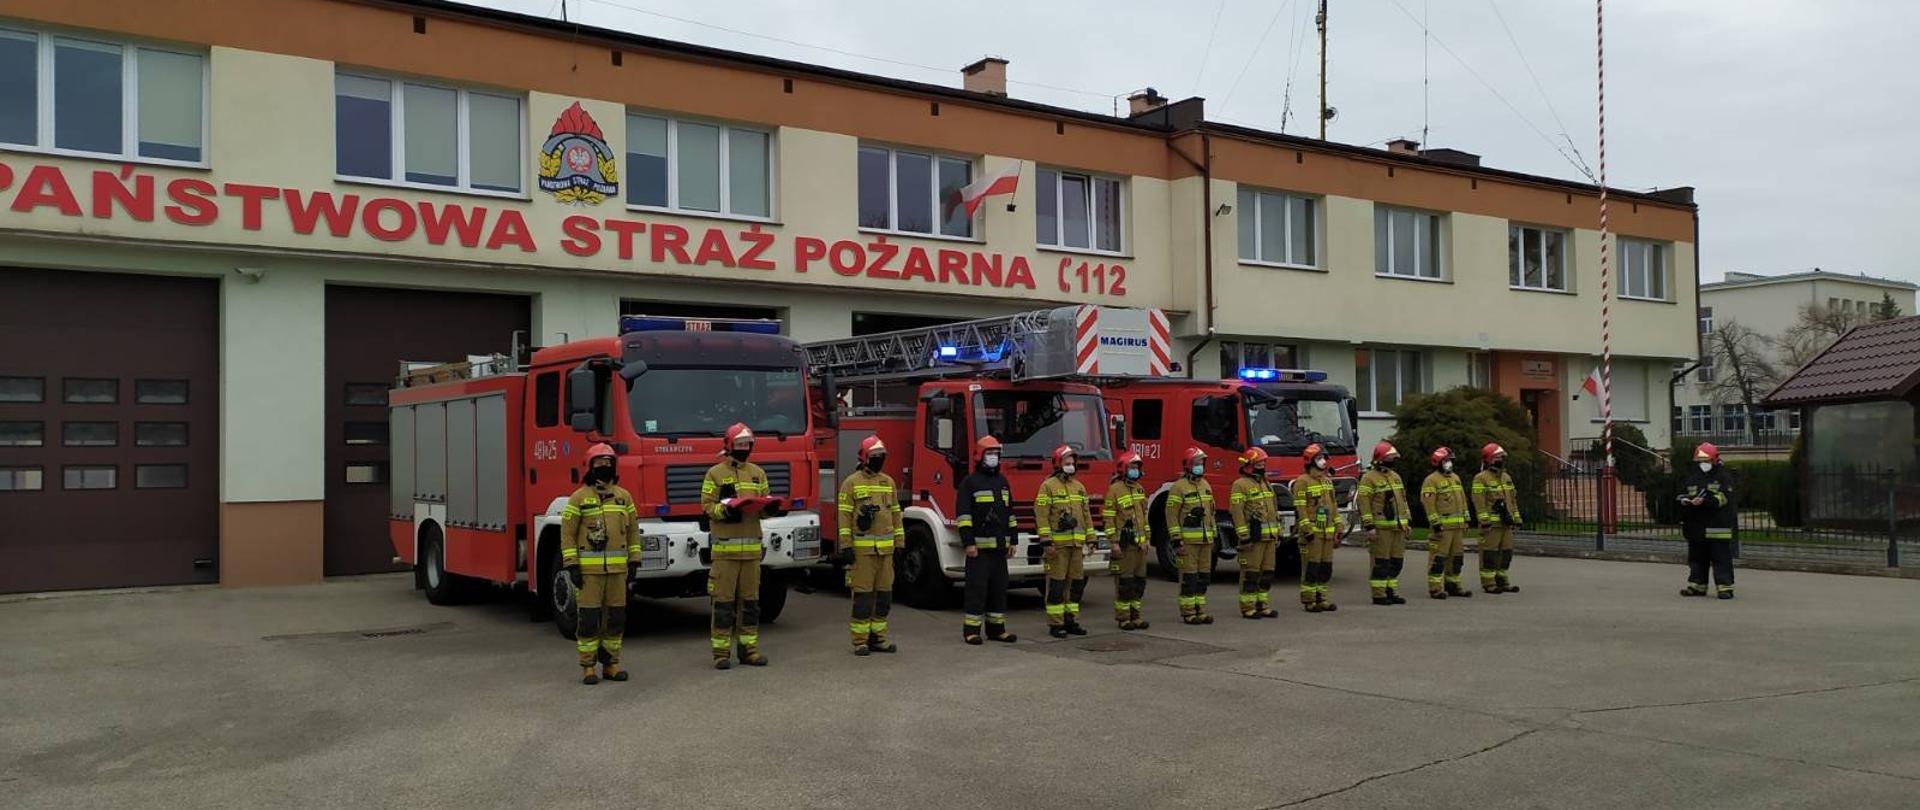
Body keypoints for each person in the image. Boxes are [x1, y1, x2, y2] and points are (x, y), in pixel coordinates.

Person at [561, 443, 640, 685]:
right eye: (599, 464)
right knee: (589, 619)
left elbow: (633, 531)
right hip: (589, 574)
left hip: (617, 572)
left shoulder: (623, 497)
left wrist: (634, 560)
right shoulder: (578, 499)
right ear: (590, 467)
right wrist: (572, 565)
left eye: (608, 464)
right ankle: (588, 666)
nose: (604, 468)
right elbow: (567, 534)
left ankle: (611, 664)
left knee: (616, 618)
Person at [699, 423, 774, 670]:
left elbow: (762, 506)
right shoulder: (714, 474)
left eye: (747, 445)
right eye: (740, 445)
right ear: (730, 445)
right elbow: (707, 506)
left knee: (751, 604)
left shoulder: (758, 473)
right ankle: (721, 654)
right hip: (725, 555)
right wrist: (726, 510)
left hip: (752, 554)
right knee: (722, 605)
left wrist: (769, 508)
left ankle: (749, 651)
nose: (744, 449)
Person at [837, 436, 905, 655]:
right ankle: (860, 641)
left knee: (884, 597)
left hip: (885, 552)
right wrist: (846, 546)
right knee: (863, 598)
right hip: (863, 553)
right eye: (875, 457)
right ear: (865, 457)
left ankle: (879, 639)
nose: (879, 461)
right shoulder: (851, 483)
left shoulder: (888, 482)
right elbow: (844, 516)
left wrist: (900, 544)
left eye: (881, 457)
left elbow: (896, 514)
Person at [958, 436, 1019, 644]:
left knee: (999, 589)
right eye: (990, 453)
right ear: (980, 456)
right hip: (979, 550)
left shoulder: (1002, 481)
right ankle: (971, 631)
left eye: (996, 454)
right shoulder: (970, 482)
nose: (993, 457)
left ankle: (997, 629)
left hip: (1000, 548)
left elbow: (1009, 512)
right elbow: (964, 516)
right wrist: (969, 543)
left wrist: (1014, 540)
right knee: (977, 589)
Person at [1036, 445, 1094, 638]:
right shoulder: (1048, 486)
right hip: (1057, 548)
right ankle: (1056, 624)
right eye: (1067, 462)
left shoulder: (1079, 487)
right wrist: (1046, 541)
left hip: (1077, 546)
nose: (1071, 466)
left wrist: (1091, 539)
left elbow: (1086, 515)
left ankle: (1071, 620)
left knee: (1076, 585)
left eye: (1072, 462)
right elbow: (1042, 516)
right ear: (1058, 464)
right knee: (1057, 586)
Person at [1166, 447, 1218, 625]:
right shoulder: (1178, 488)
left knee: (1203, 577)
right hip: (1187, 543)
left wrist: (1213, 537)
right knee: (1189, 578)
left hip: (1205, 541)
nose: (1200, 466)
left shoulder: (1205, 485)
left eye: (1202, 463)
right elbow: (1171, 515)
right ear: (1189, 465)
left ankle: (1200, 610)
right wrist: (1176, 540)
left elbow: (1212, 512)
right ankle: (1188, 612)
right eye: (1197, 463)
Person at [1229, 447, 1283, 619]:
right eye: (1260, 463)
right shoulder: (1240, 485)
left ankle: (1262, 605)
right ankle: (1247, 607)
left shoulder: (1265, 483)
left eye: (1264, 463)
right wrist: (1244, 536)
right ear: (1249, 465)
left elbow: (1273, 509)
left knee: (1267, 573)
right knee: (1251, 574)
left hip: (1269, 538)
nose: (1263, 465)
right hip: (1253, 539)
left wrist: (1278, 532)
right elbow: (1237, 512)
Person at [1679, 442, 1737, 599]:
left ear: (1715, 459)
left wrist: (1705, 501)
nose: (1703, 464)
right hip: (1696, 527)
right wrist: (1685, 500)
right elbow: (1683, 493)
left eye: (1706, 461)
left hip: (1717, 527)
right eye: (1700, 461)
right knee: (1697, 558)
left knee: (1721, 559)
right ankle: (1697, 586)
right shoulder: (1693, 477)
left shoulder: (1723, 477)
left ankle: (1725, 588)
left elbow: (1724, 498)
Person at [1291, 443, 1343, 613]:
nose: (1323, 462)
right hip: (1312, 534)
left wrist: (1339, 525)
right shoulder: (1302, 482)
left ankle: (1322, 599)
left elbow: (1333, 506)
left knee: (1325, 568)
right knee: (1311, 568)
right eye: (1319, 458)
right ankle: (1309, 600)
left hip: (1327, 533)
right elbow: (1301, 508)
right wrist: (1307, 530)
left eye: (1324, 458)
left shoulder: (1327, 482)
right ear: (1310, 461)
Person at [1357, 441, 1411, 606]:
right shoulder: (1369, 478)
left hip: (1398, 528)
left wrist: (1407, 521)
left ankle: (1390, 590)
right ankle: (1379, 594)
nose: (1393, 461)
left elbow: (1403, 500)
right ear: (1380, 459)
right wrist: (1369, 526)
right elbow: (1364, 503)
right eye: (1390, 458)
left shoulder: (1395, 477)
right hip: (1381, 529)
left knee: (1396, 562)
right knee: (1381, 562)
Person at [1103, 451, 1152, 630]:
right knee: (1125, 583)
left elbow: (1143, 517)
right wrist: (1113, 542)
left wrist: (1146, 538)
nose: (1135, 470)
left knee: (1139, 582)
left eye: (1137, 467)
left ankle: (1136, 616)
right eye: (1132, 467)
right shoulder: (1114, 490)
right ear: (1123, 468)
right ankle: (1123, 618)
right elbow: (1108, 518)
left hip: (1139, 546)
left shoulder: (1139, 489)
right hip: (1125, 546)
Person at [1420, 447, 1472, 599]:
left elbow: (1462, 500)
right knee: (1438, 559)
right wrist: (1435, 523)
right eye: (1446, 461)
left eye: (1450, 461)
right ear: (1438, 462)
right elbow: (1428, 503)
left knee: (1456, 559)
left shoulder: (1455, 478)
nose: (1449, 463)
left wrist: (1466, 518)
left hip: (1457, 528)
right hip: (1443, 529)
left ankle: (1453, 586)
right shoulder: (1431, 480)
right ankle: (1435, 589)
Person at [1472, 443, 1522, 595]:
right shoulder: (1481, 478)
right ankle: (1489, 583)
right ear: (1489, 459)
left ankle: (1502, 581)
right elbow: (1479, 502)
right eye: (1498, 457)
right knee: (1489, 554)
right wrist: (1484, 521)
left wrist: (1516, 518)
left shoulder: (1506, 477)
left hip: (1505, 524)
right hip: (1491, 525)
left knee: (1506, 553)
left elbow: (1512, 500)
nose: (1501, 459)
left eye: (1502, 457)